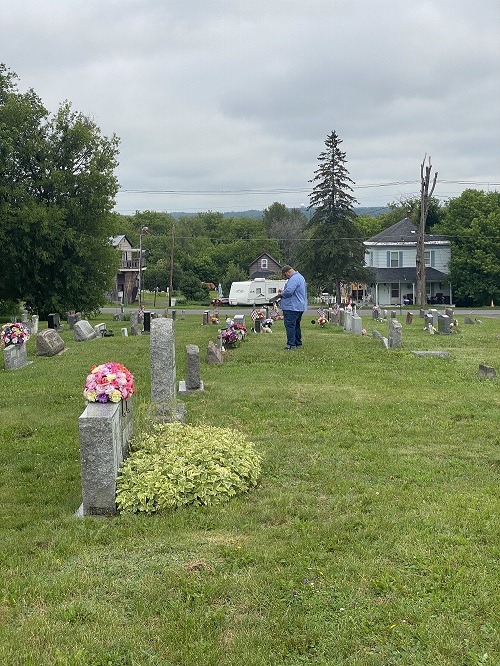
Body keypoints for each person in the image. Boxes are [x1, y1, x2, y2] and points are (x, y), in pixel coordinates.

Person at [278, 265, 307, 350]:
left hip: (291, 307)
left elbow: (289, 291)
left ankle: (291, 345)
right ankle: (298, 343)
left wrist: (281, 294)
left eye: (285, 275)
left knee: (290, 325)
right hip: (299, 306)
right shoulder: (300, 277)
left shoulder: (293, 278)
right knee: (296, 325)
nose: (286, 278)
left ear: (287, 272)